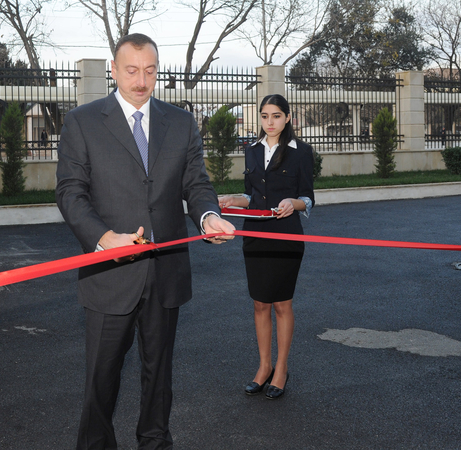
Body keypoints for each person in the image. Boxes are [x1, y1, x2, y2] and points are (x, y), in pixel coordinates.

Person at [56, 33, 236, 449]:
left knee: (160, 376)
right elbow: (70, 191)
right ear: (114, 71)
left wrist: (209, 216)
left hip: (166, 273)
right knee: (101, 379)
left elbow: (197, 183)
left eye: (150, 70)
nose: (141, 80)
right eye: (132, 70)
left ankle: (155, 442)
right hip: (109, 274)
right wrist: (103, 238)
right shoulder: (82, 122)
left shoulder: (181, 122)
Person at [219, 94, 314, 400]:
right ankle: (264, 367)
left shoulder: (302, 152)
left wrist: (294, 203)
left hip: (286, 236)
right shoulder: (251, 151)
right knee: (260, 303)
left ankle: (282, 368)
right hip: (256, 237)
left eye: (275, 116)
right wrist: (235, 200)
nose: (269, 122)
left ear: (288, 118)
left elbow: (309, 197)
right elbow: (251, 196)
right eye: (264, 116)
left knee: (281, 304)